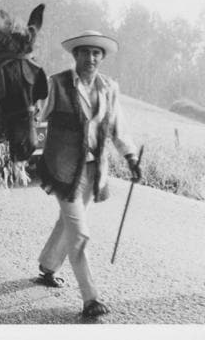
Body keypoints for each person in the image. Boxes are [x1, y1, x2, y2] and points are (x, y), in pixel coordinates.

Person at [35, 30, 142, 318]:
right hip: (63, 169)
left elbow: (118, 128)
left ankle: (47, 266)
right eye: (85, 52)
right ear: (75, 55)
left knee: (68, 222)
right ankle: (90, 298)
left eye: (97, 53)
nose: (91, 58)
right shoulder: (57, 84)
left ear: (102, 58)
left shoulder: (109, 88)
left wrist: (130, 156)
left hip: (94, 171)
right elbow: (36, 119)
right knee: (79, 232)